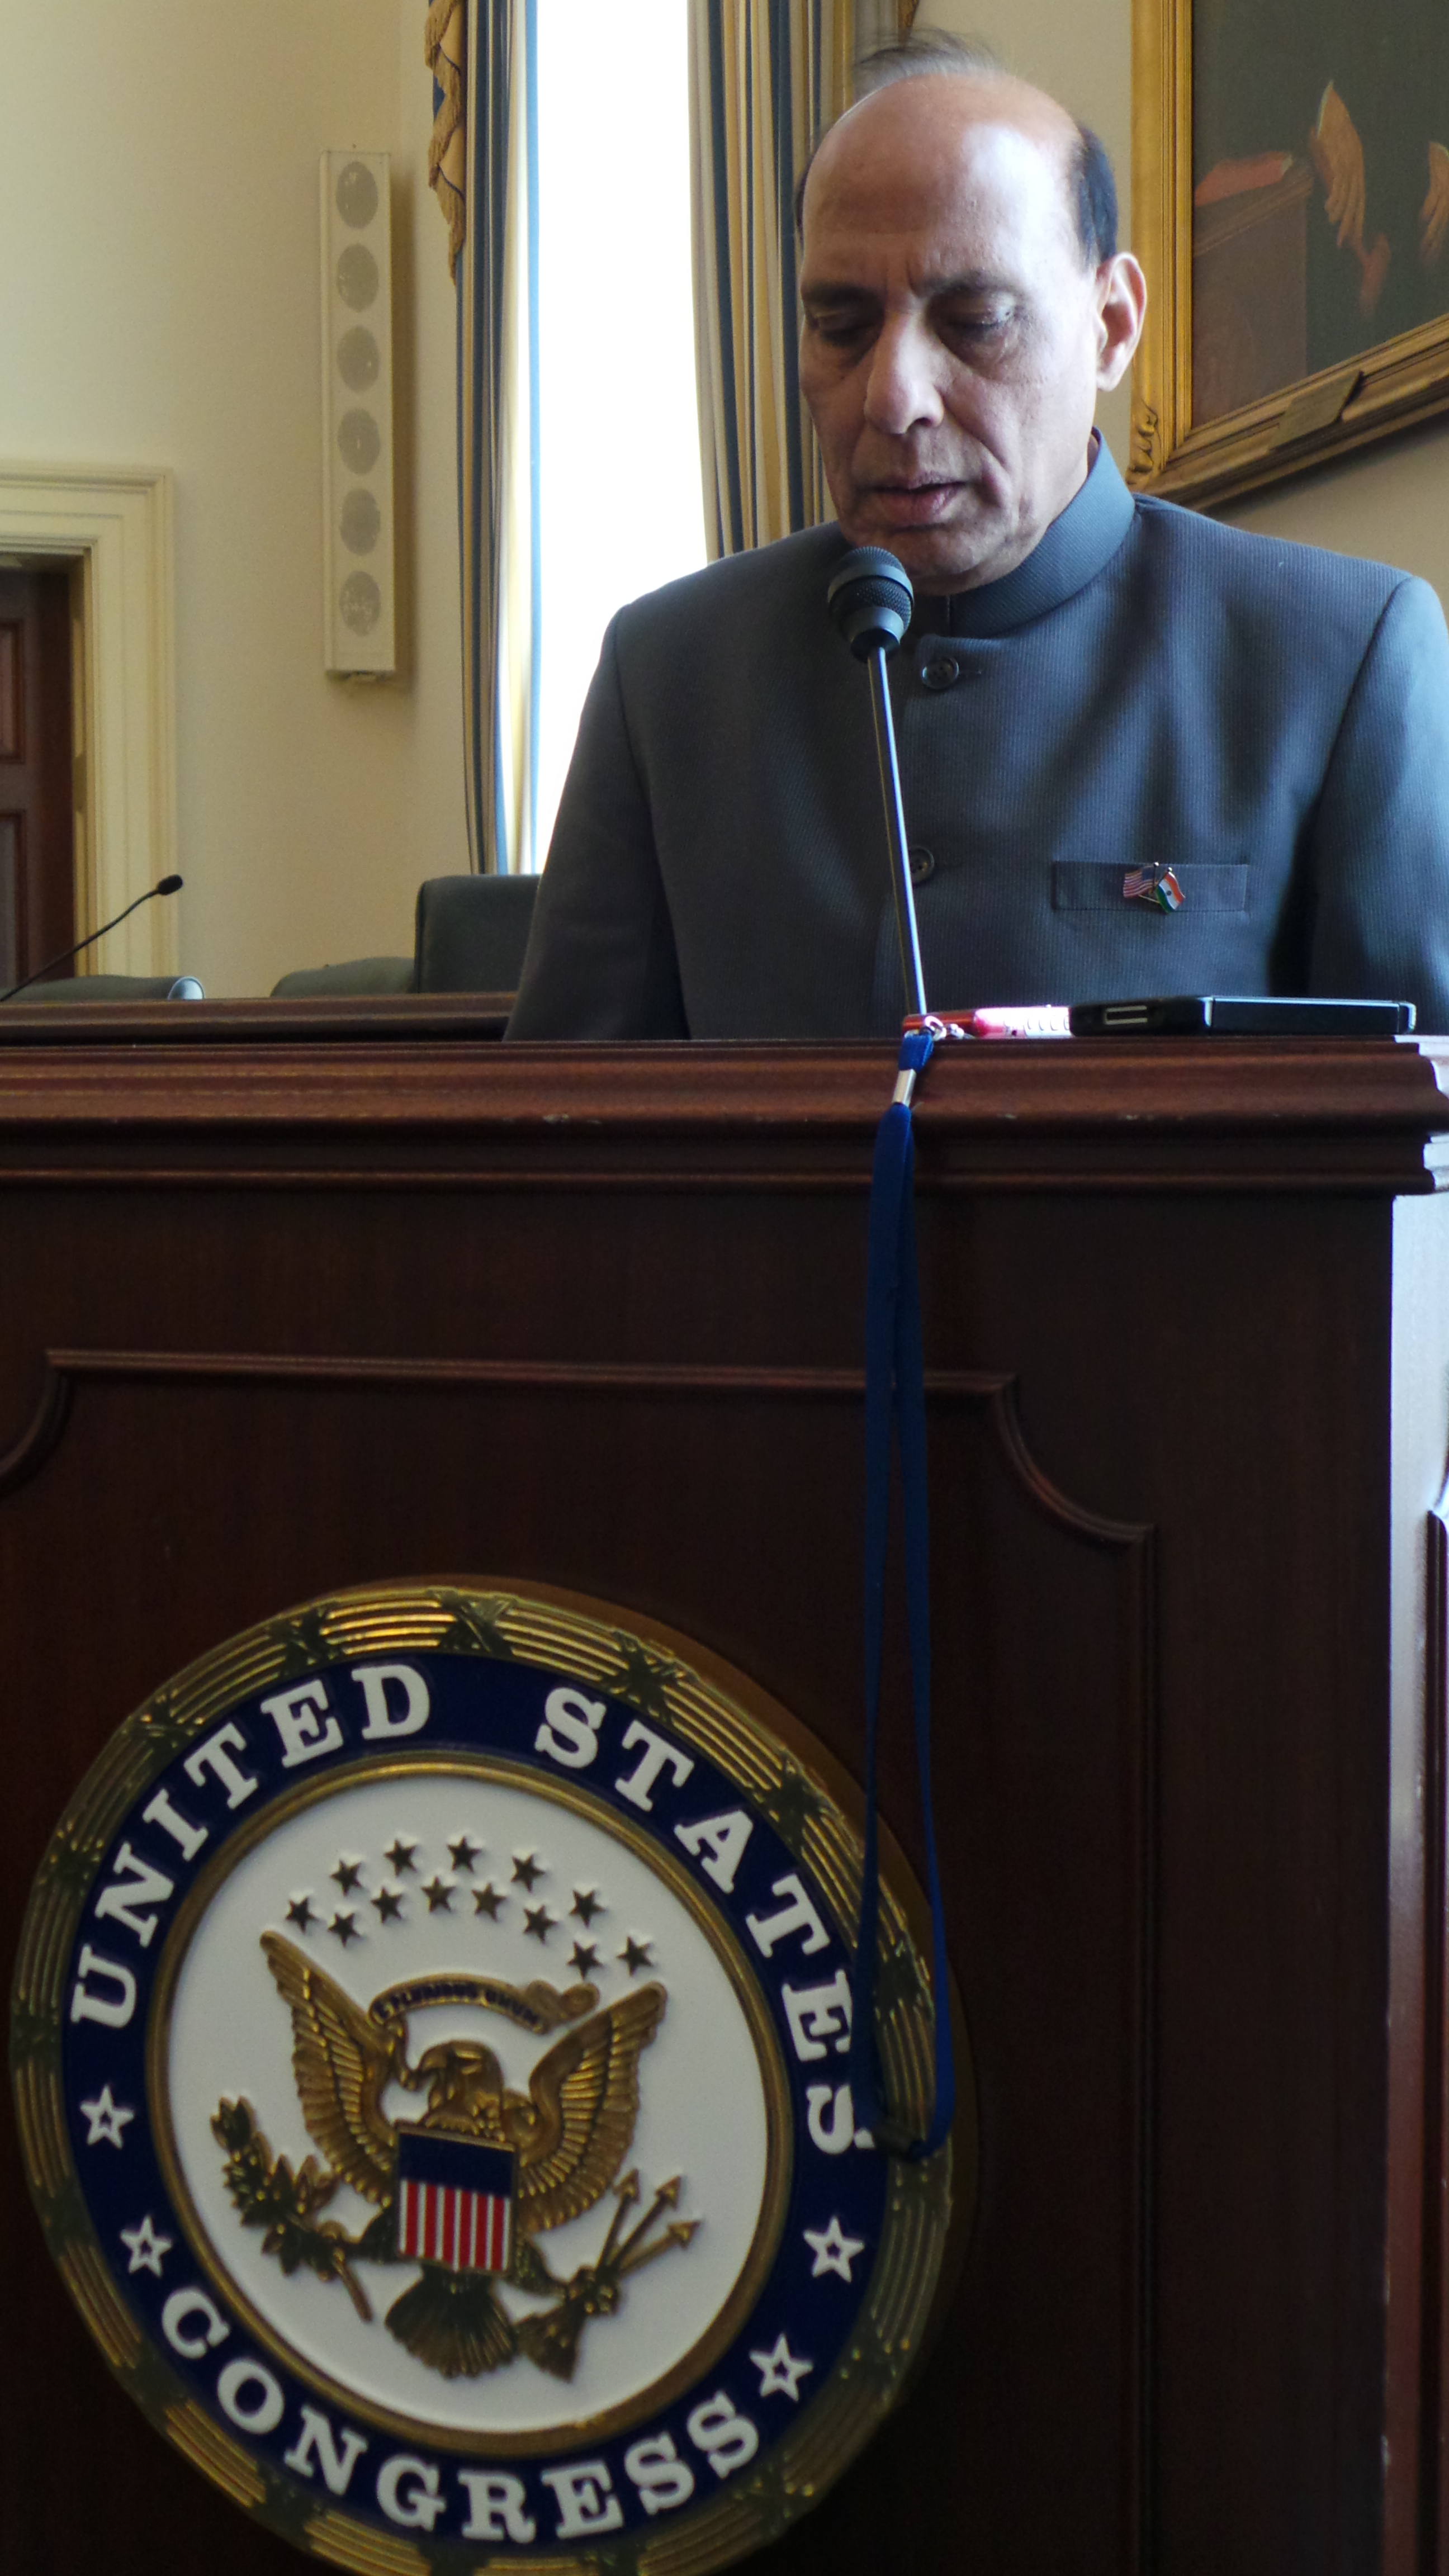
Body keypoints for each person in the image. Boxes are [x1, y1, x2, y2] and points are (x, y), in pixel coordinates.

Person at [508, 32, 1449, 1041]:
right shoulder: (667, 675)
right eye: (840, 325)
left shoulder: (1341, 655)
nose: (893, 396)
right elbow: (560, 1154)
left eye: (975, 321)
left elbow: (1424, 1162)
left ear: (1113, 324)